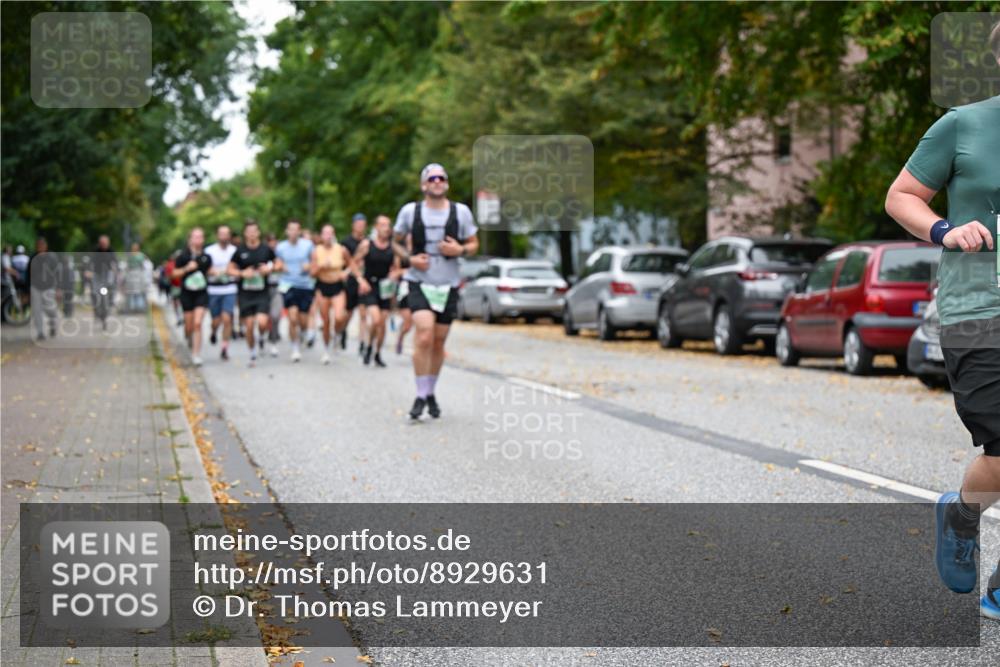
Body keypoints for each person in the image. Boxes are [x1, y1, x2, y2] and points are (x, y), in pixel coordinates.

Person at [885, 46, 1000, 620]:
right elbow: (900, 196)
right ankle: (961, 515)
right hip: (979, 312)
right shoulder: (963, 125)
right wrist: (944, 230)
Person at [392, 163, 479, 419]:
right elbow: (395, 242)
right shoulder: (410, 211)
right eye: (432, 179)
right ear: (423, 185)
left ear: (447, 184)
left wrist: (460, 250)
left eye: (441, 178)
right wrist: (409, 259)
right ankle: (420, 395)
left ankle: (430, 390)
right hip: (419, 280)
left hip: (449, 283)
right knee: (424, 335)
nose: (437, 182)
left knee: (439, 341)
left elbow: (474, 243)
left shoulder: (460, 212)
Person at [310, 223, 358, 365]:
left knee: (339, 317)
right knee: (326, 322)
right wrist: (320, 266)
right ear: (321, 236)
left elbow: (352, 264)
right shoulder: (316, 251)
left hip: (337, 286)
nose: (328, 236)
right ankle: (326, 349)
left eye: (330, 233)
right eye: (325, 233)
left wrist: (346, 273)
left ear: (334, 235)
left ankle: (337, 334)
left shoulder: (341, 250)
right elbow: (312, 273)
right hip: (322, 286)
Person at [229, 221, 275, 367]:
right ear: (245, 234)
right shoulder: (239, 251)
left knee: (262, 322)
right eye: (249, 231)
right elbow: (229, 269)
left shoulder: (266, 249)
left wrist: (269, 268)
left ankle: (261, 336)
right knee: (249, 326)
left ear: (258, 233)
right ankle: (252, 352)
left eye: (254, 231)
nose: (252, 234)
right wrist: (242, 273)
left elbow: (279, 263)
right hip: (245, 294)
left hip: (262, 292)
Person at [356, 214, 400, 367]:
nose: (385, 228)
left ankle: (377, 353)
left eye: (387, 225)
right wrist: (361, 280)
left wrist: (395, 274)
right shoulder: (367, 245)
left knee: (382, 324)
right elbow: (353, 264)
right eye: (382, 225)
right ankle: (368, 346)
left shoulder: (392, 247)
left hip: (385, 287)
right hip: (371, 285)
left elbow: (397, 267)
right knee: (375, 320)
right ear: (375, 227)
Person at [274, 220, 316, 362]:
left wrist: (309, 266)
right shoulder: (281, 247)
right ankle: (295, 348)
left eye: (296, 230)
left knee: (303, 320)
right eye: (290, 229)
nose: (293, 232)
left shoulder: (308, 245)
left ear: (299, 231)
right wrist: (279, 266)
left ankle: (303, 332)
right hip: (288, 284)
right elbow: (277, 262)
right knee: (292, 318)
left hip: (305, 285)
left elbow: (315, 262)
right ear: (287, 231)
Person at [172, 228, 212, 366]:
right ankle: (189, 337)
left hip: (201, 293)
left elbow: (210, 271)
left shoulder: (207, 257)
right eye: (195, 237)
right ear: (190, 239)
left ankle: (196, 354)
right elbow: (174, 274)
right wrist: (186, 269)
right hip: (187, 294)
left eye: (200, 237)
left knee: (197, 323)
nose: (198, 240)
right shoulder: (182, 256)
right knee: (189, 326)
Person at [205, 224, 238, 361]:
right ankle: (213, 331)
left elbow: (238, 267)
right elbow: (205, 268)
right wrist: (215, 272)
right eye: (221, 234)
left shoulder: (235, 251)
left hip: (229, 288)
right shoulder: (209, 251)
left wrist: (233, 272)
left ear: (229, 236)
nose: (224, 237)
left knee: (227, 318)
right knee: (216, 320)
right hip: (214, 289)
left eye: (226, 234)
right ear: (217, 235)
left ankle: (224, 348)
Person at [341, 213, 368, 353]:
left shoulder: (369, 242)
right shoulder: (346, 242)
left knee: (364, 313)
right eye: (358, 224)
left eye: (363, 224)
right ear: (353, 225)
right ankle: (343, 329)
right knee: (349, 312)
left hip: (364, 280)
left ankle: (362, 343)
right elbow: (346, 262)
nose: (360, 227)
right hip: (351, 279)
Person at [27, 237, 59, 341]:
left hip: (48, 287)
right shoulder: (32, 257)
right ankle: (40, 332)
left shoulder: (52, 257)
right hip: (35, 287)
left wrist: (59, 288)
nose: (40, 247)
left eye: (42, 245)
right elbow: (28, 274)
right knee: (37, 311)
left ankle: (53, 324)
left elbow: (58, 273)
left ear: (46, 246)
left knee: (50, 309)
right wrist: (26, 290)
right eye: (38, 246)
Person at [265, 232, 281, 354]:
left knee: (275, 315)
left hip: (278, 287)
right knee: (264, 317)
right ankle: (261, 335)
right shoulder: (262, 254)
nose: (272, 244)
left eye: (274, 242)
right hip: (263, 289)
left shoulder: (281, 255)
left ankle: (273, 338)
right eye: (269, 242)